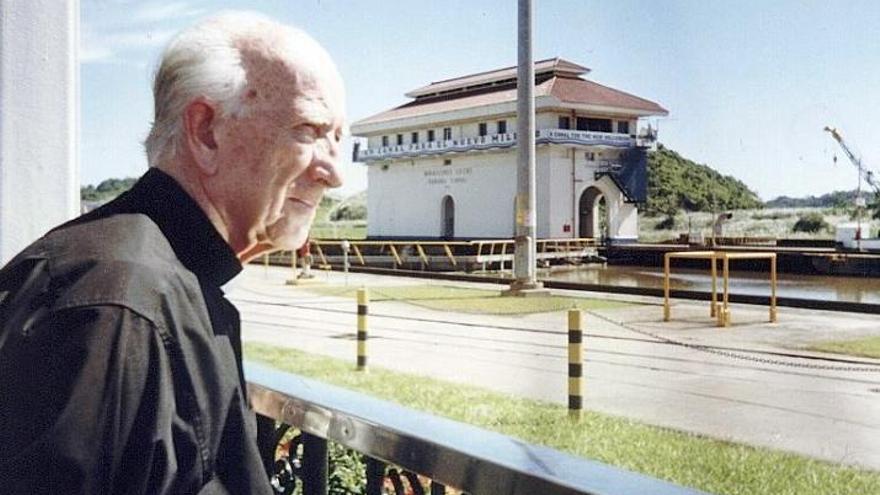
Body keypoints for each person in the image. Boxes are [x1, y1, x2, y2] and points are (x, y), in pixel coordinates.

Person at [0, 12, 344, 494]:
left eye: (338, 139)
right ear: (206, 131)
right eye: (309, 129)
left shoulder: (156, 281)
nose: (334, 173)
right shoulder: (119, 308)